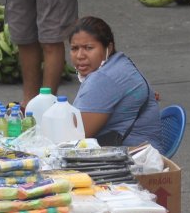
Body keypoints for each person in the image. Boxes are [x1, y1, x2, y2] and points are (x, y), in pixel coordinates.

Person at [68, 17, 163, 148]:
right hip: (145, 150)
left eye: (88, 48)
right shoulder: (121, 63)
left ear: (109, 47)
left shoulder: (103, 79)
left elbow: (75, 139)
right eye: (74, 48)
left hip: (134, 159)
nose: (80, 55)